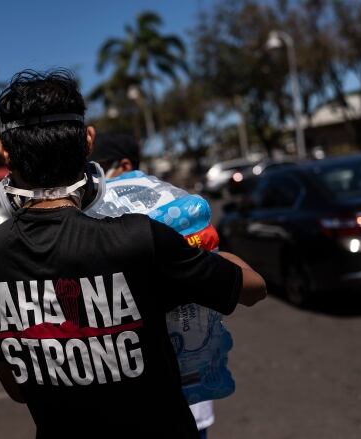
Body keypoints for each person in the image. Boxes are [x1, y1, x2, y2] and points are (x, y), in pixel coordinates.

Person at [0, 69, 266, 438]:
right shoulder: (140, 238)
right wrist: (193, 247)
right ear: (88, 141)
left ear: (5, 153)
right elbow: (253, 287)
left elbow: (19, 390)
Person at [88, 133, 225, 439]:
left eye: (98, 170)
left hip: (182, 387)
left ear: (124, 165)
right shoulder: (100, 214)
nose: (93, 181)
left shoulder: (166, 206)